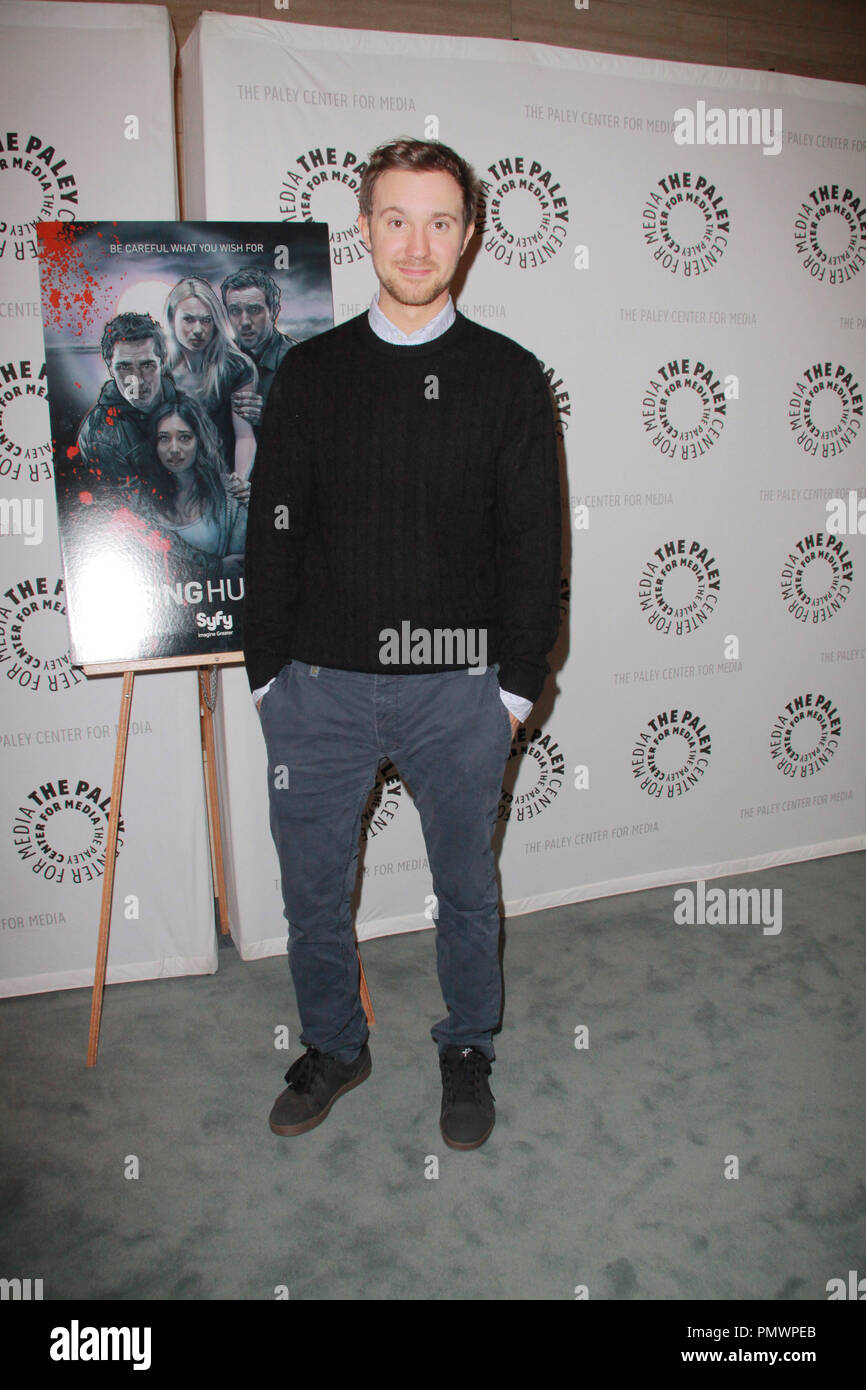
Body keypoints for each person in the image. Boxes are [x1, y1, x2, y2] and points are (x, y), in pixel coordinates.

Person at [244, 137, 561, 1150]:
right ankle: (336, 1044)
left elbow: (532, 548)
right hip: (319, 690)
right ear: (365, 229)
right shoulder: (310, 373)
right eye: (394, 218)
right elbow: (272, 529)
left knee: (465, 890)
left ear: (466, 237)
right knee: (310, 895)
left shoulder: (508, 379)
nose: (415, 243)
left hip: (458, 693)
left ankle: (465, 1044)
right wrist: (268, 681)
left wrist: (510, 693)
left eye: (437, 221)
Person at [75, 312, 181, 495]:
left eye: (147, 365)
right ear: (109, 367)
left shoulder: (191, 407)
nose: (137, 380)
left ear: (162, 362)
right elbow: (135, 509)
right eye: (124, 367)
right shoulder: (99, 435)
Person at [142, 395, 247, 580]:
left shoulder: (231, 493)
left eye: (184, 437)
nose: (174, 449)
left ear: (199, 440)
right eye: (164, 438)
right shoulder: (145, 501)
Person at [164, 277, 257, 479]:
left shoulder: (235, 367)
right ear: (172, 318)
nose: (198, 330)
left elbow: (245, 435)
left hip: (220, 477)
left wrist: (239, 481)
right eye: (188, 319)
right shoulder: (160, 370)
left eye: (206, 320)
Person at [220, 268, 298, 430]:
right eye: (235, 311)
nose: (244, 321)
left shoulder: (299, 362)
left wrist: (270, 416)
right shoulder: (220, 359)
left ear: (274, 311)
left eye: (254, 310)